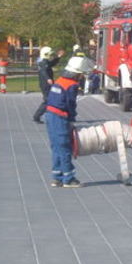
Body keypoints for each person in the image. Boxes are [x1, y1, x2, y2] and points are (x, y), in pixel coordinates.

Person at [45, 56, 94, 188]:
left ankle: (57, 177)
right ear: (77, 73)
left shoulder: (59, 81)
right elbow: (70, 104)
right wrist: (71, 119)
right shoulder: (72, 85)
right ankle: (69, 178)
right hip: (60, 117)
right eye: (81, 74)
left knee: (56, 147)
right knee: (65, 147)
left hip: (50, 115)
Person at [33, 46, 64, 124]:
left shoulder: (45, 61)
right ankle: (37, 116)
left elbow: (52, 63)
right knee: (48, 100)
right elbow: (43, 71)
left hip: (47, 84)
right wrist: (48, 79)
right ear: (46, 54)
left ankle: (47, 115)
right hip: (45, 84)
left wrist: (58, 57)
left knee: (50, 100)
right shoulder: (42, 63)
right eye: (50, 54)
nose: (51, 56)